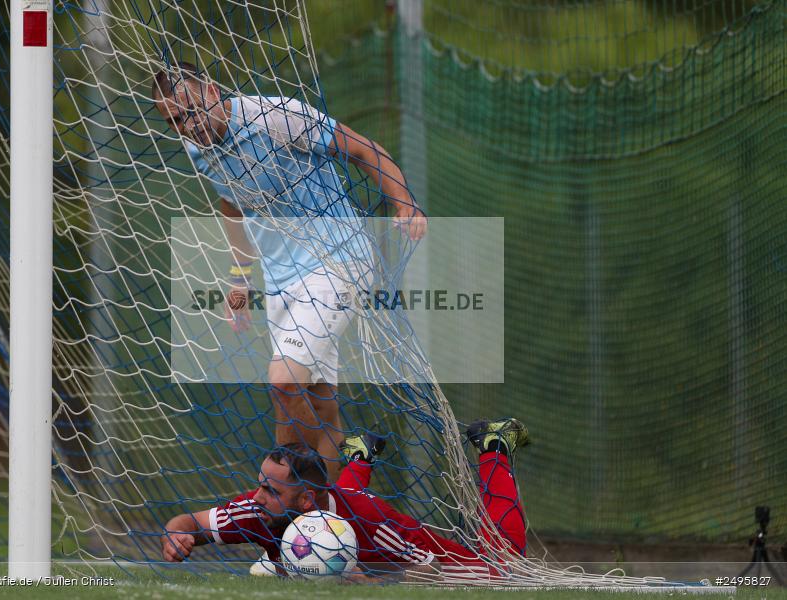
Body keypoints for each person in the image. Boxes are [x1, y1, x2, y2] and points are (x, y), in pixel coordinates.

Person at [152, 62, 427, 482]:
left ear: (212, 91)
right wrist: (240, 277)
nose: (188, 125)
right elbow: (232, 203)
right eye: (175, 120)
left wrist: (404, 204)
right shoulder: (197, 149)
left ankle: (312, 490)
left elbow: (364, 149)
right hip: (282, 282)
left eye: (191, 111)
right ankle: (322, 514)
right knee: (312, 408)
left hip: (339, 260)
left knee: (283, 382)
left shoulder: (277, 117)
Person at [161, 418, 530, 581]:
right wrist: (177, 536)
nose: (257, 497)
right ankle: (361, 454)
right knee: (342, 498)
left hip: (415, 547)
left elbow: (429, 568)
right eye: (260, 485)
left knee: (506, 566)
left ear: (305, 501)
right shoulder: (259, 509)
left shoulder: (371, 524)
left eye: (271, 491)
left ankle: (494, 445)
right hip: (338, 501)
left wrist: (372, 583)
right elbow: (189, 522)